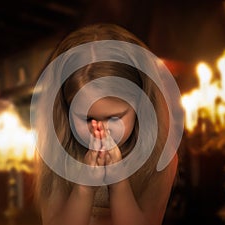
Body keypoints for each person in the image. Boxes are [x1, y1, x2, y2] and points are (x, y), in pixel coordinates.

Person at [32, 23, 181, 225]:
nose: (100, 131)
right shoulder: (55, 151)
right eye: (87, 119)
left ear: (141, 106)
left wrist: (119, 181)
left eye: (114, 118)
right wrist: (84, 187)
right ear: (66, 110)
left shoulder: (160, 157)